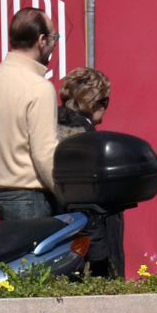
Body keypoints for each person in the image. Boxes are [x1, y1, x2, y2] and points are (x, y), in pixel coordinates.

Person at [0, 7, 62, 220]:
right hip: (33, 197)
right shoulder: (38, 87)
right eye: (55, 37)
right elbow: (45, 155)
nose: (55, 43)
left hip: (1, 195)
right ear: (41, 40)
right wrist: (67, 195)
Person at [57, 66, 124, 278]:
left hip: (63, 234)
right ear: (92, 102)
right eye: (105, 101)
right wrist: (99, 255)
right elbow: (83, 202)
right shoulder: (81, 140)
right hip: (85, 243)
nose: (106, 107)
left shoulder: (51, 123)